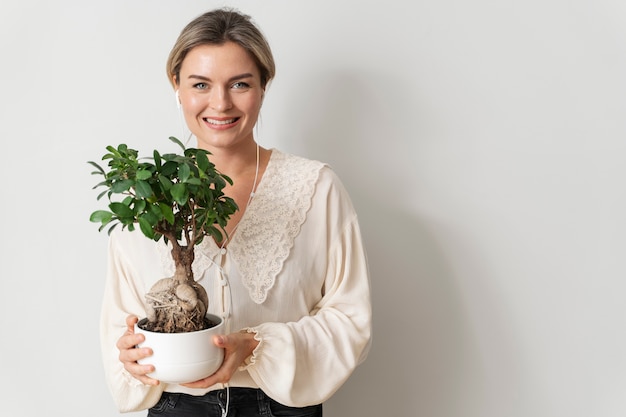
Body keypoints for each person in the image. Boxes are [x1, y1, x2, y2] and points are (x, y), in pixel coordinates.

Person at [100, 7, 372, 417]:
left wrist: (257, 347)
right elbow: (121, 320)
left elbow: (352, 318)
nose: (220, 103)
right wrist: (130, 354)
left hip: (283, 408)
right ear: (177, 86)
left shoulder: (317, 189)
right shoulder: (146, 195)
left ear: (264, 85)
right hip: (178, 407)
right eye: (201, 84)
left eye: (240, 83)